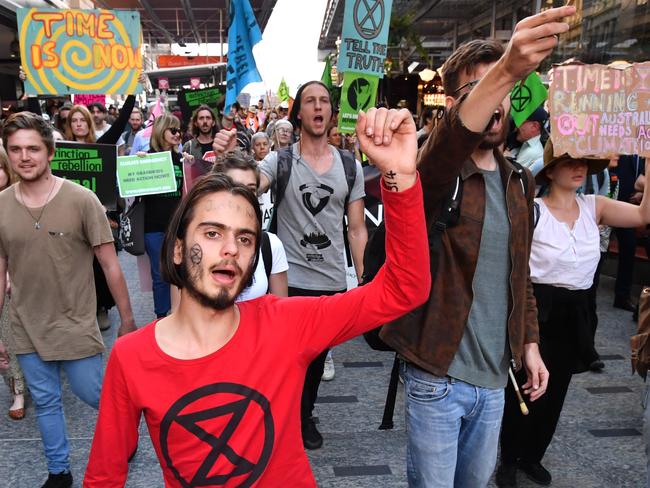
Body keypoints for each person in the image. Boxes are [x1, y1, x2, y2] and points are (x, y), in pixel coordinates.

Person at [85, 105, 429, 487]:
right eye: (212, 233)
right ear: (178, 249)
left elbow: (404, 287)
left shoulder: (286, 324)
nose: (231, 248)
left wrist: (399, 178)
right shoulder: (132, 357)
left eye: (245, 238)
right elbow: (104, 476)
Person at [378, 6, 577, 487]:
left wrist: (529, 343)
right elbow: (449, 143)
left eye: (501, 91)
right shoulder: (434, 170)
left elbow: (520, 275)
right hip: (436, 376)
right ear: (452, 103)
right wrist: (507, 67)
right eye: (475, 92)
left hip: (494, 381)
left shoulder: (519, 182)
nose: (492, 104)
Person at [497, 140, 650, 487]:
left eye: (583, 162)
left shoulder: (594, 206)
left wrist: (648, 158)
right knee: (525, 388)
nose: (579, 168)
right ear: (551, 170)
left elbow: (644, 215)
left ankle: (532, 456)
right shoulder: (532, 210)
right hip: (538, 308)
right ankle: (508, 458)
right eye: (570, 162)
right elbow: (514, 267)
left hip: (578, 309)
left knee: (557, 391)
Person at [0, 112, 136, 488]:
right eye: (15, 150)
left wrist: (127, 321)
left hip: (75, 323)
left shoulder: (81, 199)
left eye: (32, 148)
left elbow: (110, 265)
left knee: (98, 396)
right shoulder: (0, 205)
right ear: (7, 154)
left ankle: (127, 435)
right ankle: (59, 472)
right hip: (25, 324)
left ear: (50, 151)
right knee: (45, 403)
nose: (24, 157)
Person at [254, 80, 368, 450]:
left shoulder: (349, 165)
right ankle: (286, 415)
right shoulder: (281, 160)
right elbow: (254, 181)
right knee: (288, 356)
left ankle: (303, 416)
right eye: (310, 101)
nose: (318, 107)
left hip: (331, 279)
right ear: (298, 113)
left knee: (317, 360)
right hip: (289, 279)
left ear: (331, 112)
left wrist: (364, 282)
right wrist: (233, 164)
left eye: (324, 101)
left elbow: (356, 228)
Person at [212, 152, 288, 300]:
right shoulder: (198, 243)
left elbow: (281, 313)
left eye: (251, 189)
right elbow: (180, 317)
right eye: (236, 187)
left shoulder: (270, 246)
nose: (244, 195)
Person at [140, 113, 185, 318]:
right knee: (159, 275)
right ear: (161, 132)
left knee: (179, 271)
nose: (178, 134)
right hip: (154, 226)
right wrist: (138, 165)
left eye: (179, 130)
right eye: (173, 130)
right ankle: (161, 317)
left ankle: (180, 314)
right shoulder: (147, 157)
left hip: (178, 225)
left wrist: (190, 166)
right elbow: (130, 189)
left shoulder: (182, 159)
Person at [0, 147, 26, 420]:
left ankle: (20, 389)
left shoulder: (21, 199)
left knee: (10, 330)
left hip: (20, 275)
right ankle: (16, 385)